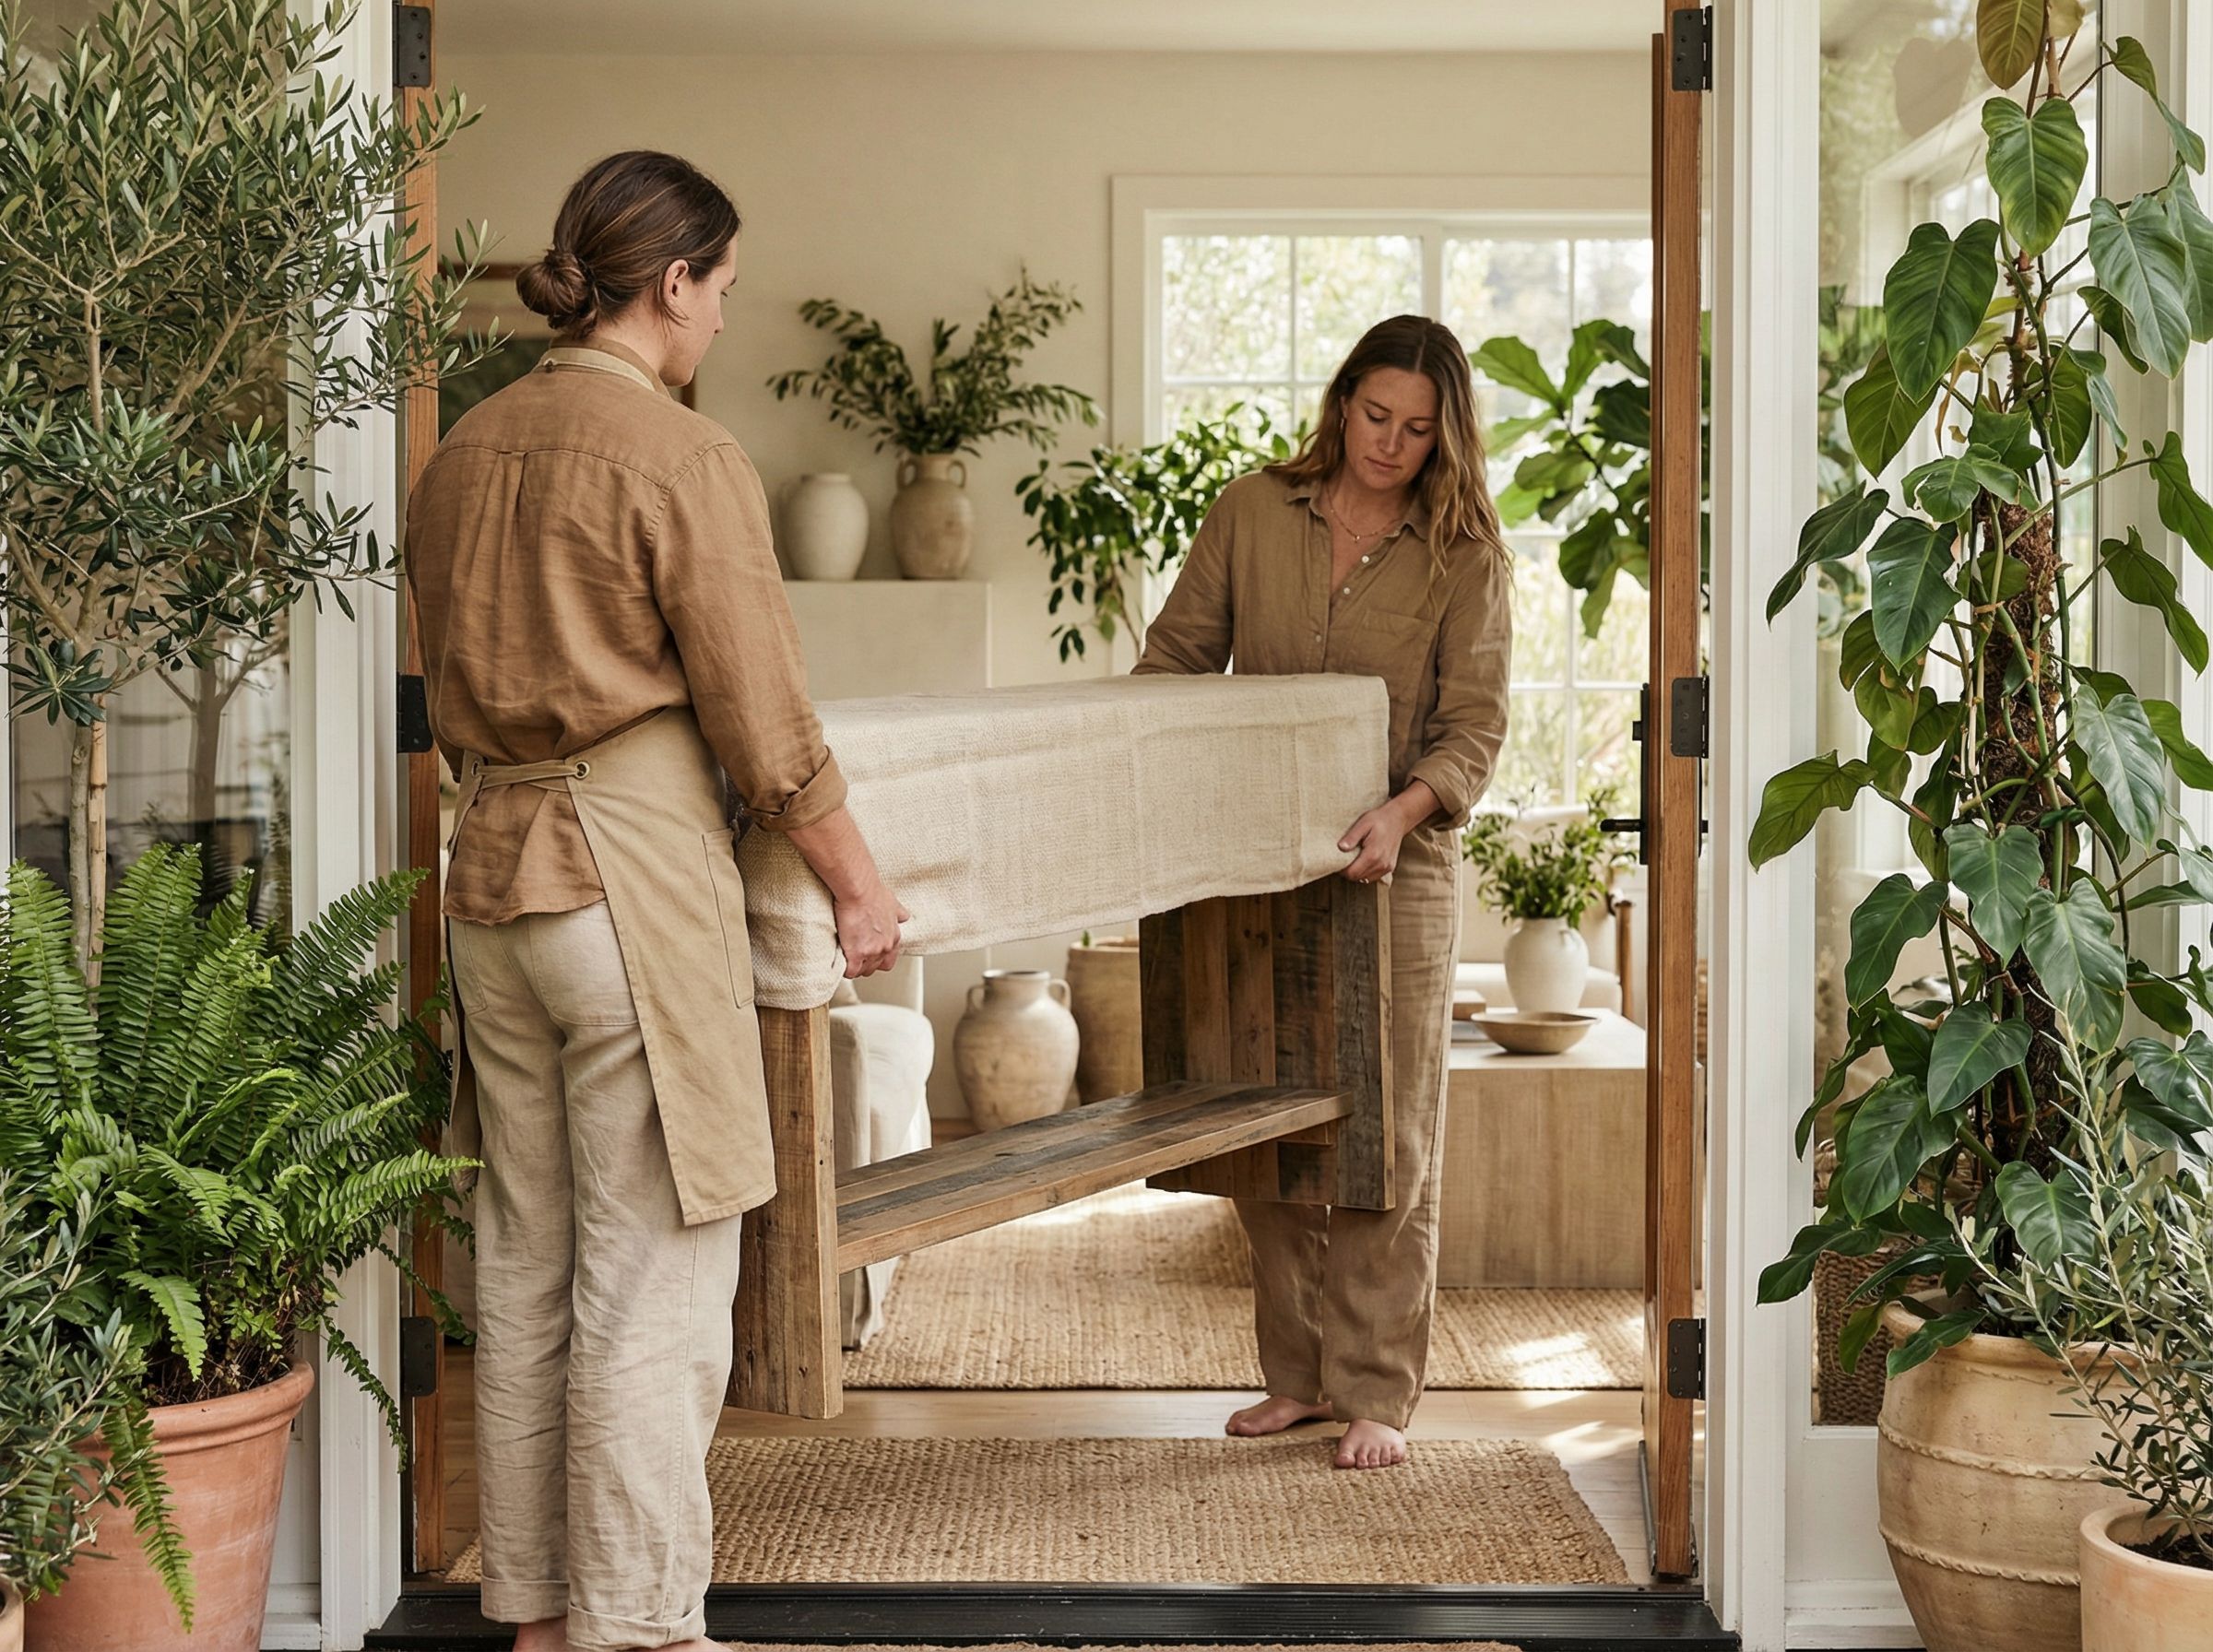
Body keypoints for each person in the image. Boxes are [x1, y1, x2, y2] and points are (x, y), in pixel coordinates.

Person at [408, 150, 906, 1652]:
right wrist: (860, 887)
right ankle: (634, 1624)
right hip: (623, 890)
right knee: (652, 1264)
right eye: (721, 291)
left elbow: (443, 689)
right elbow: (765, 722)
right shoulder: (680, 456)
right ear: (670, 280)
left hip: (489, 886)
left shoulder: (463, 450)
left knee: (530, 1250)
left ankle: (544, 1607)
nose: (720, 323)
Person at [1134, 314, 1512, 1469]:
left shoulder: (1467, 559)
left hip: (1397, 874)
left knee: (1384, 1136)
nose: (1389, 445)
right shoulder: (1252, 511)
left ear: (1446, 438)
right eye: (1374, 415)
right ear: (1341, 401)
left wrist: (1402, 812)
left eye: (1416, 430)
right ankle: (1294, 1379)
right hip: (1253, 871)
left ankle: (1376, 1390)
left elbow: (1475, 731)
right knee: (1265, 1120)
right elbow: (1175, 662)